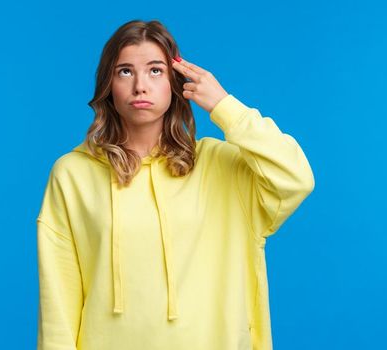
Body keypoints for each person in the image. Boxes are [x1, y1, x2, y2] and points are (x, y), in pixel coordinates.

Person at [36, 19, 315, 350]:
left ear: (175, 81)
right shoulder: (73, 174)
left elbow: (296, 177)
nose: (140, 85)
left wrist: (225, 106)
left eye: (155, 71)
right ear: (108, 84)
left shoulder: (221, 165)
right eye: (125, 71)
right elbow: (58, 301)